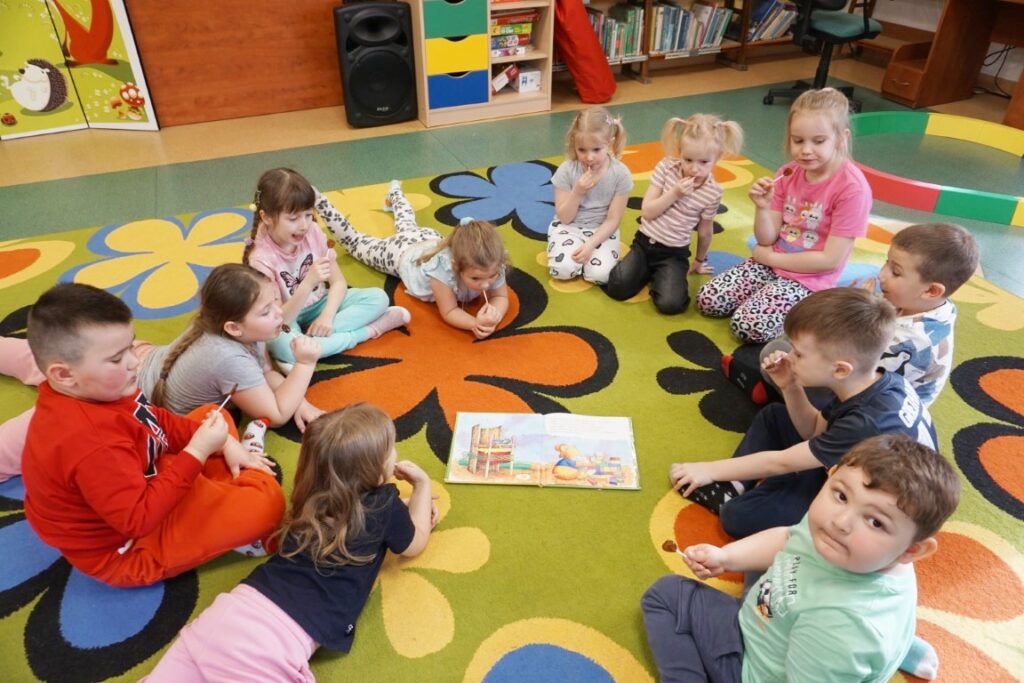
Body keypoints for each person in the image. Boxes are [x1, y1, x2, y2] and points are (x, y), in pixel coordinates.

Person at [144, 403, 437, 681]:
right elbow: (415, 542)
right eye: (391, 449)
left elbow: (359, 519)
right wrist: (422, 486)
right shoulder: (385, 505)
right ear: (374, 469)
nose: (395, 453)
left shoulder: (312, 495)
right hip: (271, 646)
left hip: (227, 615)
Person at [20, 283, 284, 587]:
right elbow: (138, 519)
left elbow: (154, 420)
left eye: (130, 347)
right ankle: (232, 499)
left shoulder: (103, 389)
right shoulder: (91, 443)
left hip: (144, 476)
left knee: (213, 415)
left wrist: (223, 442)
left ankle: (223, 488)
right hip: (130, 546)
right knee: (266, 507)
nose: (134, 362)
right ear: (64, 375)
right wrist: (198, 452)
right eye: (116, 359)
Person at [643, 434, 960, 683]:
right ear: (830, 476)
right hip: (798, 623)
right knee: (771, 565)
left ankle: (874, 653)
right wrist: (726, 557)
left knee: (666, 595)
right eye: (841, 495)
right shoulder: (858, 544)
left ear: (912, 551)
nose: (841, 521)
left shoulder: (839, 628)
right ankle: (894, 648)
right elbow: (790, 539)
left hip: (754, 668)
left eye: (875, 522)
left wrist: (844, 643)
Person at [0, 264, 326, 482]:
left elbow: (264, 372)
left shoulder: (231, 326)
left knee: (43, 352)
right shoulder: (228, 356)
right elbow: (276, 413)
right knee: (26, 434)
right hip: (118, 394)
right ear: (234, 327)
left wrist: (300, 401)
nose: (279, 315)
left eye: (275, 304)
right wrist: (304, 365)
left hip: (134, 360)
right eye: (267, 311)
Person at [671, 288, 936, 540]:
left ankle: (768, 489)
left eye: (798, 354)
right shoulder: (866, 382)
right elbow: (814, 430)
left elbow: (781, 463)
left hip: (874, 508)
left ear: (840, 369)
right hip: (847, 465)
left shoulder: (867, 423)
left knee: (738, 517)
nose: (790, 356)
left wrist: (710, 470)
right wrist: (790, 385)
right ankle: (738, 484)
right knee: (775, 415)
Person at [724, 222, 981, 409]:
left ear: (931, 290)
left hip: (867, 415)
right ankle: (774, 390)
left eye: (896, 272)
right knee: (788, 349)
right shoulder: (931, 305)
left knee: (781, 351)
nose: (882, 275)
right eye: (887, 263)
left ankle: (778, 398)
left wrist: (852, 308)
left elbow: (848, 373)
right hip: (863, 381)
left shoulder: (906, 344)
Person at [696, 88, 872, 343]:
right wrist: (762, 208)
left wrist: (769, 257)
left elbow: (830, 260)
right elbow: (766, 239)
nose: (806, 150)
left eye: (818, 141)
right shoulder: (788, 173)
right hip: (771, 261)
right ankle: (768, 296)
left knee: (748, 327)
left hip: (810, 278)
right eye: (798, 141)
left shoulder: (852, 189)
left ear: (841, 138)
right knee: (708, 300)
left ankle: (812, 309)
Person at [244, 167, 410, 366]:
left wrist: (327, 317)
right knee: (278, 343)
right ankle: (368, 331)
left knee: (378, 298)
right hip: (287, 317)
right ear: (266, 217)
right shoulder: (261, 259)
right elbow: (280, 319)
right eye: (293, 218)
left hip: (320, 304)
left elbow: (338, 282)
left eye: (308, 214)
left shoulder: (312, 231)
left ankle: (306, 348)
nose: (304, 225)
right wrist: (307, 284)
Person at [315, 184, 511, 339]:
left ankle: (395, 191)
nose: (486, 285)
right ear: (455, 266)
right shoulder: (442, 271)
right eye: (476, 279)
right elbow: (450, 311)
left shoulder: (492, 259)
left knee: (407, 222)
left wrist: (495, 315)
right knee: (354, 243)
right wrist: (474, 323)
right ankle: (320, 202)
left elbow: (501, 297)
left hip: (430, 239)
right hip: (399, 253)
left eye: (492, 276)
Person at [606, 113, 743, 313]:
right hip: (644, 243)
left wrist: (699, 260)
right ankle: (649, 272)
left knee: (671, 304)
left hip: (673, 253)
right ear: (680, 151)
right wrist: (674, 194)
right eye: (688, 159)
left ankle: (658, 275)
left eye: (704, 162)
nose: (694, 169)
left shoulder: (713, 192)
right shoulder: (666, 167)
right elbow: (647, 212)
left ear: (718, 157)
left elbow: (705, 231)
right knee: (616, 287)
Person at [547, 106, 634, 285]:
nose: (589, 157)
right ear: (574, 144)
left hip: (602, 231)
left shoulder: (620, 174)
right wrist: (577, 192)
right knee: (562, 270)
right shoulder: (567, 170)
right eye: (582, 150)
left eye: (596, 149)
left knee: (601, 276)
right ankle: (566, 250)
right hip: (569, 227)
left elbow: (613, 220)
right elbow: (564, 218)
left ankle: (584, 258)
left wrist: (590, 245)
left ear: (609, 143)